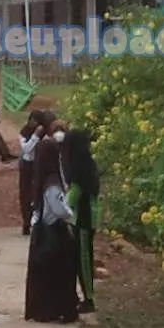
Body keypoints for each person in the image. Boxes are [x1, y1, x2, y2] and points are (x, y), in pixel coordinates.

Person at [24, 120, 79, 324]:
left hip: (42, 232)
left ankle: (44, 310)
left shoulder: (40, 179)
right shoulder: (52, 183)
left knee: (43, 277)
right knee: (60, 275)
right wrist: (70, 213)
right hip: (54, 233)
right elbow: (58, 209)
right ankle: (61, 309)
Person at [63, 128, 101, 315]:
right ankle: (87, 296)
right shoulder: (88, 164)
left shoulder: (79, 168)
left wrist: (60, 206)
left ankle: (89, 298)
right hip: (86, 216)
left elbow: (73, 196)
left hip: (84, 219)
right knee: (82, 258)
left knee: (84, 259)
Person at [19, 110, 57, 236]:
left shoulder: (46, 136)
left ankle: (39, 221)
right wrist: (35, 136)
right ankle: (26, 222)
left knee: (39, 193)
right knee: (25, 194)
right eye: (31, 120)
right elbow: (26, 149)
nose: (32, 123)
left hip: (39, 166)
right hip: (27, 166)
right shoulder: (24, 133)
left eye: (35, 121)